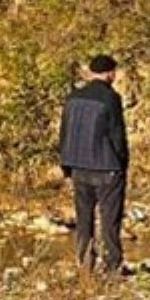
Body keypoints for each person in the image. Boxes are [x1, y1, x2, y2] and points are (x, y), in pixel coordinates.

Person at [58, 54, 129, 275]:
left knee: (84, 219)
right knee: (110, 220)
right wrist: (123, 163)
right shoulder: (111, 98)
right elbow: (117, 135)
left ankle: (85, 264)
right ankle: (112, 266)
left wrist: (66, 166)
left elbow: (64, 133)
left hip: (79, 166)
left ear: (90, 71)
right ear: (110, 73)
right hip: (107, 166)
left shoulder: (73, 97)